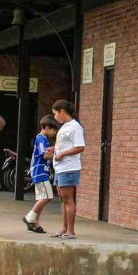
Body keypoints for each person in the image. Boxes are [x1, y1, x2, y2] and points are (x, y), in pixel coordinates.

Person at [51, 100, 85, 239]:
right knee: (62, 199)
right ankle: (64, 228)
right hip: (60, 167)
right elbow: (65, 145)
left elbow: (79, 146)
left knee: (68, 198)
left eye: (55, 114)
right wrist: (54, 150)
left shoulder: (75, 127)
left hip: (69, 167)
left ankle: (70, 230)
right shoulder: (65, 127)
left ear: (62, 111)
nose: (54, 117)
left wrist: (62, 154)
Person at [22, 115, 59, 234]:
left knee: (41, 198)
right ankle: (29, 217)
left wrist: (53, 149)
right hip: (40, 172)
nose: (54, 133)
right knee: (48, 196)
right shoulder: (41, 138)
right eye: (54, 130)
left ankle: (35, 224)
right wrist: (58, 155)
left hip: (40, 172)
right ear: (47, 127)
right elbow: (45, 155)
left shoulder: (43, 139)